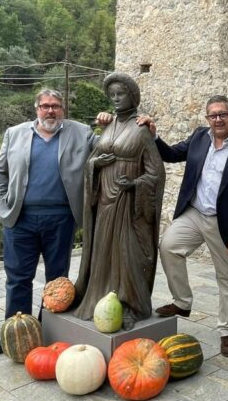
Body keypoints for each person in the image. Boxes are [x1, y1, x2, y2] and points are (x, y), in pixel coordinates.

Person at [138, 95, 228, 357]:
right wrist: (154, 136)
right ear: (207, 118)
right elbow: (171, 155)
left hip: (224, 222)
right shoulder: (199, 137)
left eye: (222, 114)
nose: (217, 119)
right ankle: (182, 302)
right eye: (212, 115)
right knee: (169, 246)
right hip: (194, 214)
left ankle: (227, 331)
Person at [0, 88, 109, 355]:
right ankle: (16, 334)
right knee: (18, 279)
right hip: (21, 219)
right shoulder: (15, 133)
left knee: (57, 280)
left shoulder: (81, 133)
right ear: (37, 109)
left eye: (55, 106)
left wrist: (109, 124)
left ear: (63, 109)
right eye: (45, 106)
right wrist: (2, 205)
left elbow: (107, 150)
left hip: (61, 219)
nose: (50, 111)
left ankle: (49, 331)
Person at [71, 73, 165, 329]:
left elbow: (155, 172)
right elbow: (92, 157)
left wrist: (135, 185)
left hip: (129, 203)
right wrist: (94, 164)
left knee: (127, 254)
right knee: (104, 250)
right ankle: (100, 299)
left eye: (120, 94)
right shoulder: (109, 126)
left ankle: (128, 303)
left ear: (132, 96)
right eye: (111, 95)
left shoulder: (142, 129)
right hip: (104, 200)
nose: (115, 99)